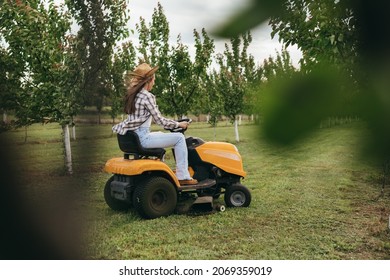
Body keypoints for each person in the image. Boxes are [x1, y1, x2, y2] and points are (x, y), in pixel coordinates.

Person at [112, 63, 198, 185]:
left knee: (160, 134)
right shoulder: (148, 96)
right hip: (143, 138)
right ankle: (183, 176)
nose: (155, 83)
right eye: (154, 80)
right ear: (149, 80)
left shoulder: (133, 95)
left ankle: (161, 174)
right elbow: (160, 120)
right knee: (179, 138)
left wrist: (174, 124)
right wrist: (179, 125)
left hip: (134, 137)